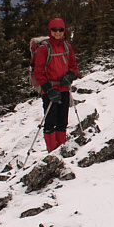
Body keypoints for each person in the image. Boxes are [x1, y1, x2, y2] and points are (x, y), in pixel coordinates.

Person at [32, 18, 79, 151]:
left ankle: (61, 149)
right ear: (50, 31)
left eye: (60, 30)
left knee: (62, 121)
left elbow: (73, 66)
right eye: (54, 30)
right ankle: (52, 151)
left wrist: (70, 76)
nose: (57, 32)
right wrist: (48, 89)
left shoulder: (67, 47)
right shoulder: (43, 49)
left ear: (64, 31)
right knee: (50, 122)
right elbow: (39, 72)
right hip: (50, 89)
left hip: (63, 88)